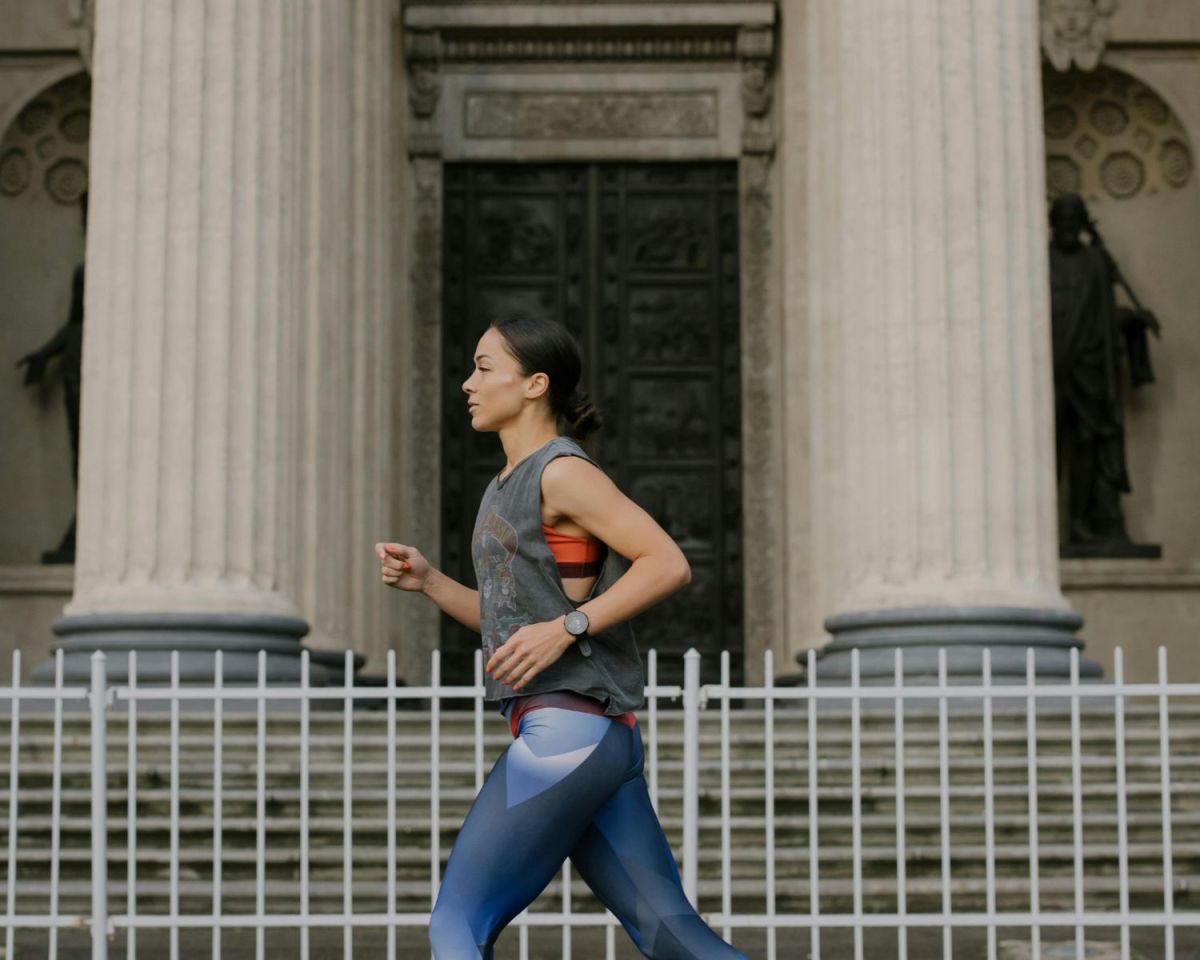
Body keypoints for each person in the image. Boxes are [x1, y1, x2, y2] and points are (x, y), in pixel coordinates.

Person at [375, 315, 746, 959]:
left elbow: (667, 562)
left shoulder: (562, 472)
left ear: (534, 384)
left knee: (457, 923)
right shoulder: (504, 485)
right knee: (674, 937)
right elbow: (511, 623)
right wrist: (431, 582)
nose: (467, 384)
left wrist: (569, 626)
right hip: (597, 739)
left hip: (568, 734)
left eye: (484, 368)